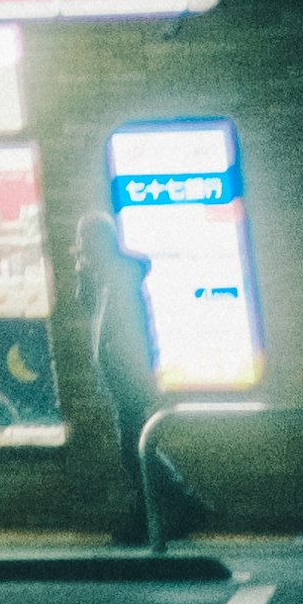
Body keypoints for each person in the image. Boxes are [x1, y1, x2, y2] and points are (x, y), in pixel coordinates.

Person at [84, 213, 207, 542]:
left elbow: (125, 332)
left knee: (135, 449)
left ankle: (176, 505)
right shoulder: (109, 277)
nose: (82, 250)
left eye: (85, 242)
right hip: (121, 376)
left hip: (128, 376)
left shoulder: (120, 277)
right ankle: (166, 510)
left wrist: (139, 374)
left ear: (99, 241)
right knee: (136, 449)